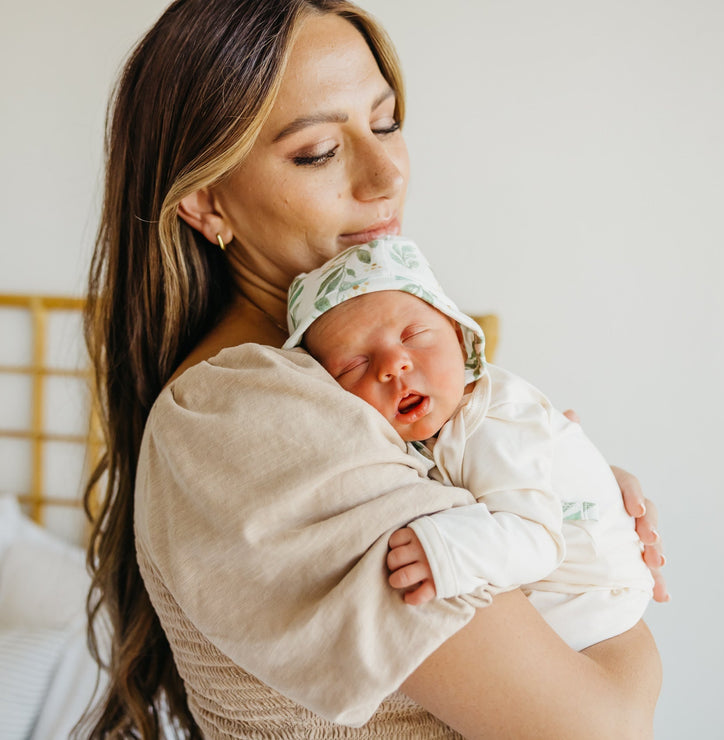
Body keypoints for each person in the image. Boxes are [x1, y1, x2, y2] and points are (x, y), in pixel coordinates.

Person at [79, 1, 665, 738]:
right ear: (204, 199)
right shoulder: (246, 414)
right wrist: (615, 594)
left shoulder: (351, 384)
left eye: (385, 123)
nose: (387, 173)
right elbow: (599, 729)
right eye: (318, 151)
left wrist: (560, 491)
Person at [284, 236, 655, 652]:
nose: (393, 365)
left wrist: (447, 551)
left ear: (462, 341)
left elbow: (537, 540)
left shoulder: (493, 422)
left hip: (590, 593)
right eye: (354, 365)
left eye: (414, 334)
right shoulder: (429, 429)